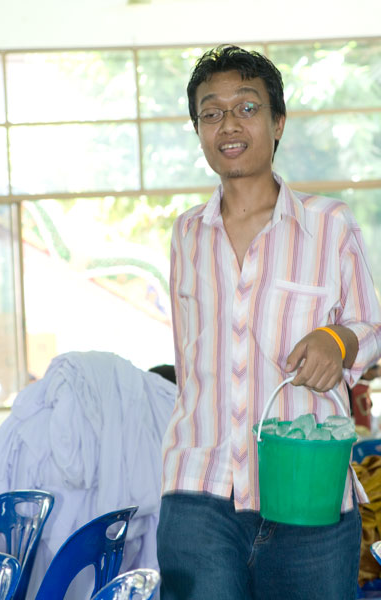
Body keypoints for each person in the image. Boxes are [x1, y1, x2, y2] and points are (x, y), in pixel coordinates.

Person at [156, 45, 381, 600]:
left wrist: (339, 339)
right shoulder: (186, 235)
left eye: (247, 107)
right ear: (199, 130)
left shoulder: (330, 225)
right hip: (198, 487)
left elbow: (371, 327)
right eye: (211, 112)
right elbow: (189, 358)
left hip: (308, 491)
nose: (229, 124)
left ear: (278, 122)